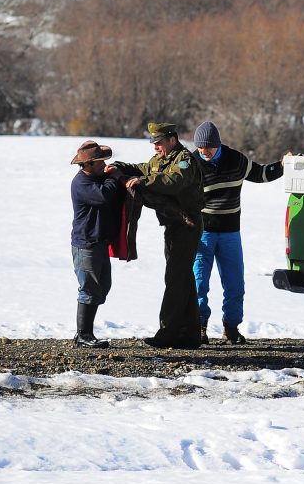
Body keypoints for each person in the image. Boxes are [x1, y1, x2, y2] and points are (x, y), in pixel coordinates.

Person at [112, 122, 204, 349]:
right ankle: (191, 334)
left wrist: (144, 182)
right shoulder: (161, 160)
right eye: (153, 143)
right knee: (183, 278)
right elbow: (144, 168)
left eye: (159, 143)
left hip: (187, 226)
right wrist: (119, 167)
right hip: (174, 225)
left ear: (172, 140)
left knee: (174, 278)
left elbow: (173, 181)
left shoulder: (184, 160)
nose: (156, 147)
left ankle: (168, 332)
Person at [191, 120, 284, 345]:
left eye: (208, 147)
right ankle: (199, 328)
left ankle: (231, 328)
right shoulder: (192, 163)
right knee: (199, 282)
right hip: (203, 232)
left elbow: (261, 174)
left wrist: (283, 165)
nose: (204, 152)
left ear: (218, 144)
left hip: (231, 232)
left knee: (234, 284)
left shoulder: (236, 160)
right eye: (200, 147)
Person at [70, 140, 124, 348]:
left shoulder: (95, 178)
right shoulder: (81, 184)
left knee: (102, 286)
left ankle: (84, 333)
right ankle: (83, 334)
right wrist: (114, 176)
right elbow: (105, 195)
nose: (104, 164)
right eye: (100, 161)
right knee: (89, 288)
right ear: (88, 165)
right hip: (86, 244)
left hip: (97, 242)